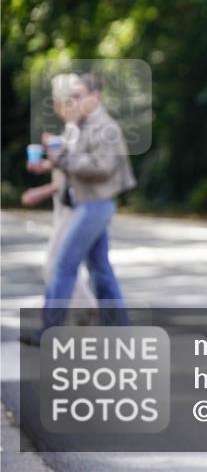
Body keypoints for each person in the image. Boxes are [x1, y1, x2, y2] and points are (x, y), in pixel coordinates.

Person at [22, 73, 136, 344]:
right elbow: (74, 164)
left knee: (63, 265)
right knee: (100, 270)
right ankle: (120, 331)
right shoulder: (83, 125)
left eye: (78, 96)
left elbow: (103, 167)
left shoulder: (104, 127)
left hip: (95, 205)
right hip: (89, 204)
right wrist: (55, 161)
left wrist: (62, 158)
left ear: (94, 96)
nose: (72, 102)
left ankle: (50, 331)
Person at [20, 74, 98, 316]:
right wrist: (45, 165)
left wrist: (39, 192)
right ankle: (87, 312)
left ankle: (86, 311)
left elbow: (73, 174)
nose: (56, 105)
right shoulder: (72, 128)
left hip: (73, 205)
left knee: (57, 264)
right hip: (68, 205)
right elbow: (65, 165)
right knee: (75, 264)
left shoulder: (77, 129)